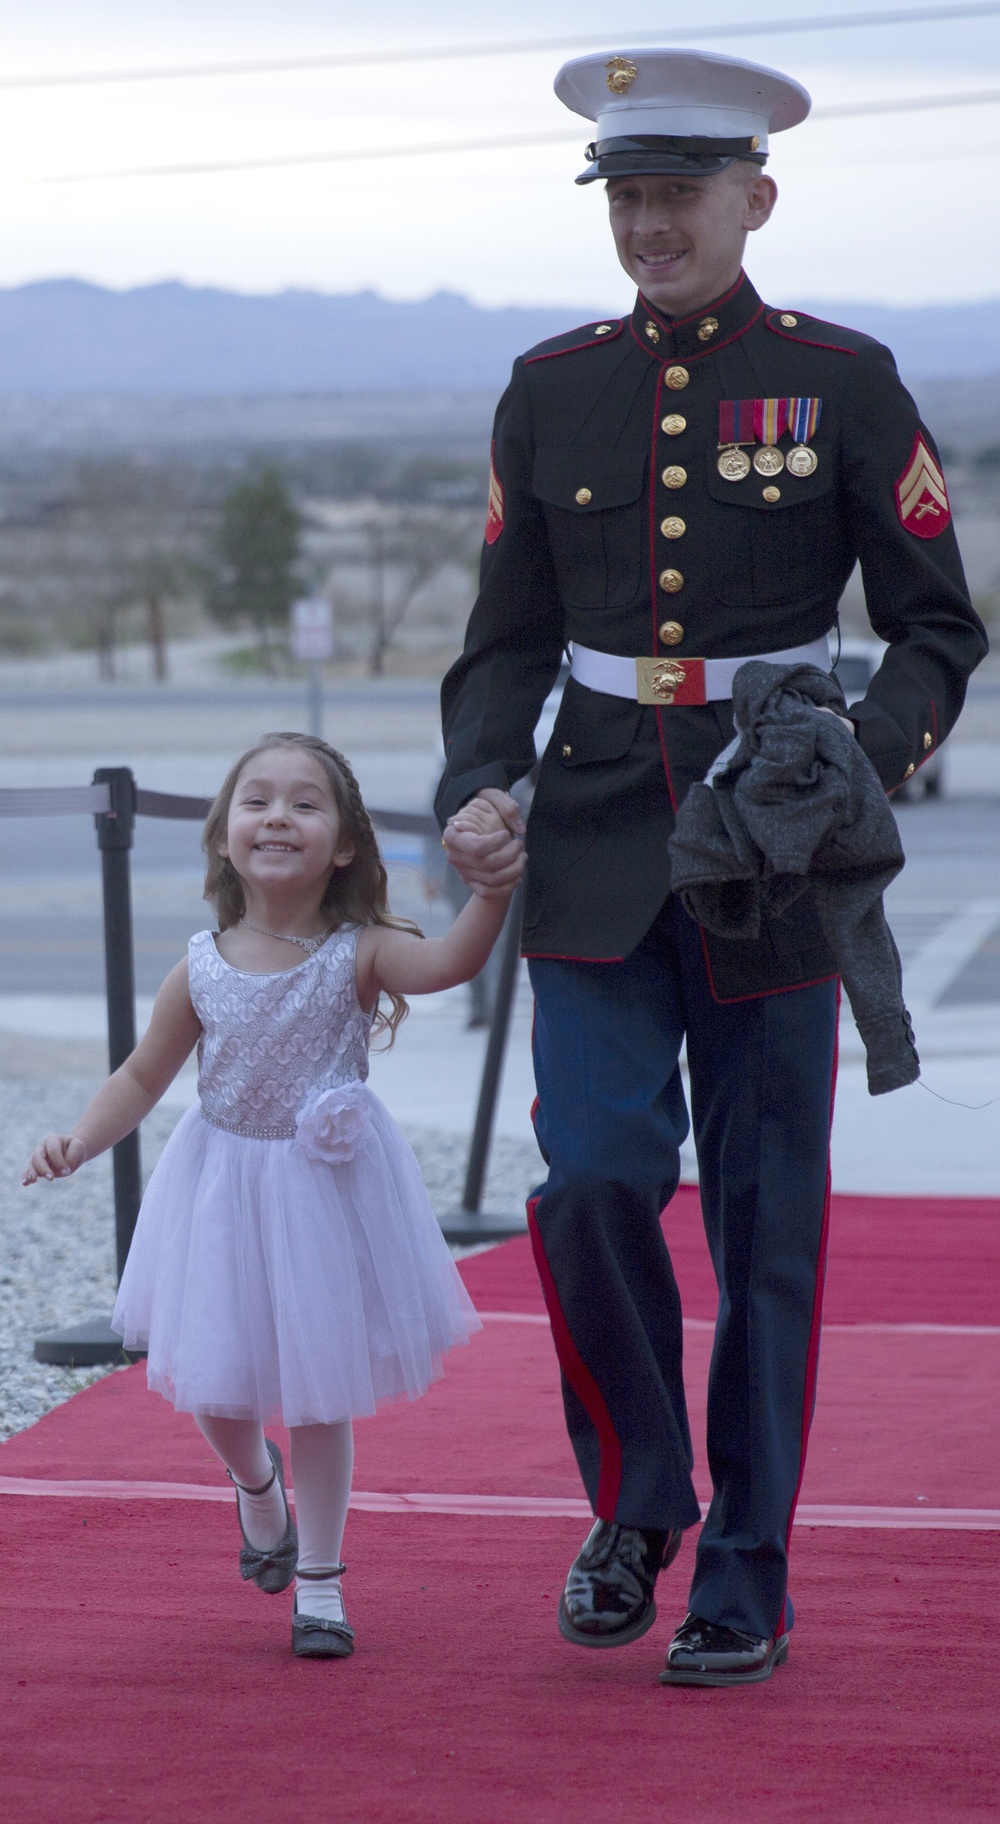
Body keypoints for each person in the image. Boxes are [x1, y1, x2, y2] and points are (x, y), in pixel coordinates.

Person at [438, 47, 987, 1686]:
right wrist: (477, 778)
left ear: (757, 195)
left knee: (767, 1223)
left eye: (680, 192)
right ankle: (640, 1499)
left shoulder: (844, 378)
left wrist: (862, 759)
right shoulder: (550, 387)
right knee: (592, 1173)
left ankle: (747, 1566)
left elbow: (937, 623)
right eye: (629, 195)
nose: (652, 222)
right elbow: (505, 639)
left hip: (773, 851)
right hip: (601, 833)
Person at [24, 731, 523, 1660]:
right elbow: (140, 1076)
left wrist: (491, 894)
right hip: (219, 1189)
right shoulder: (201, 964)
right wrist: (79, 1141)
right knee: (214, 1383)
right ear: (222, 835)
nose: (277, 816)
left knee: (316, 1391)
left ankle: (323, 1584)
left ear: (343, 844)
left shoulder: (360, 950)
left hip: (321, 1200)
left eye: (304, 802)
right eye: (256, 801)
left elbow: (449, 963)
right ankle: (257, 1486)